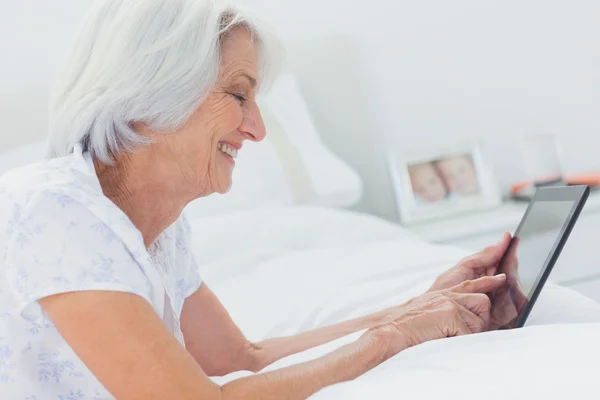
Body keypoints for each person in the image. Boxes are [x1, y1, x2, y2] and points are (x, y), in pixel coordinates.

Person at [0, 1, 517, 398]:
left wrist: (419, 310)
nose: (257, 128)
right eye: (239, 94)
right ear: (152, 95)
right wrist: (394, 339)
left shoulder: (157, 229)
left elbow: (241, 360)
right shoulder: (57, 213)